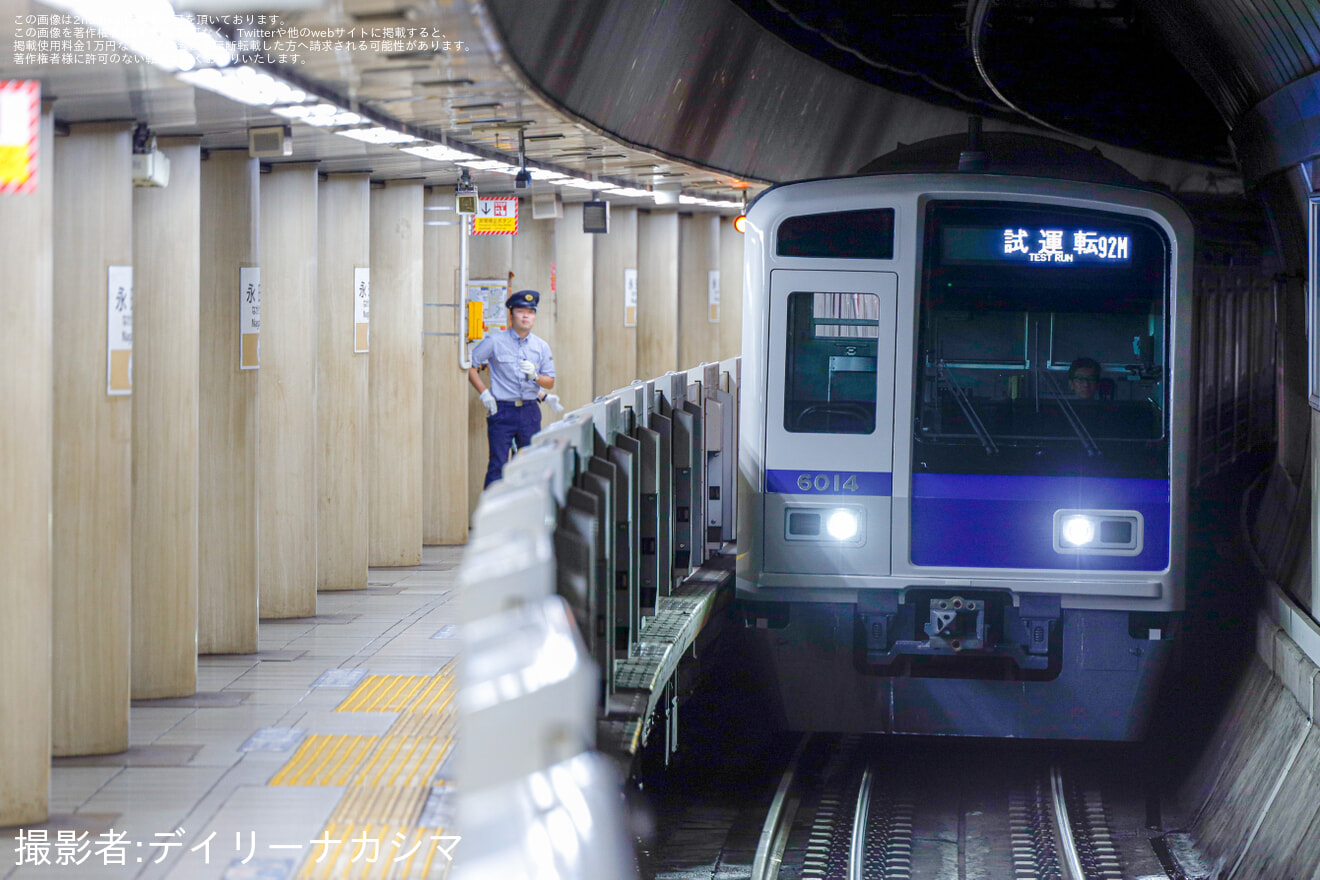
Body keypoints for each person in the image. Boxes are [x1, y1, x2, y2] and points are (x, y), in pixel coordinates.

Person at [468, 289, 562, 488]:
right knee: (498, 466)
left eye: (530, 312)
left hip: (529, 411)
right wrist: (484, 392)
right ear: (511, 315)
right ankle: (492, 516)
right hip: (502, 411)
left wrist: (536, 376)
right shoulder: (495, 342)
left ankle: (526, 515)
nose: (526, 316)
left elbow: (550, 381)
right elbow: (470, 366)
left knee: (530, 466)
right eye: (520, 311)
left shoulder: (541, 347)